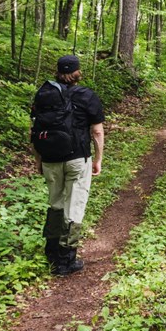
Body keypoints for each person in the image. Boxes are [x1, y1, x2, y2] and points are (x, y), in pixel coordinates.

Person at [31, 54, 105, 276]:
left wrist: (38, 159)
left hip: (50, 158)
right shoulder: (86, 95)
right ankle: (66, 259)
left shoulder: (44, 94)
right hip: (77, 158)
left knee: (55, 202)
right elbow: (97, 131)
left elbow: (33, 131)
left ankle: (51, 251)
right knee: (74, 205)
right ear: (77, 72)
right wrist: (98, 159)